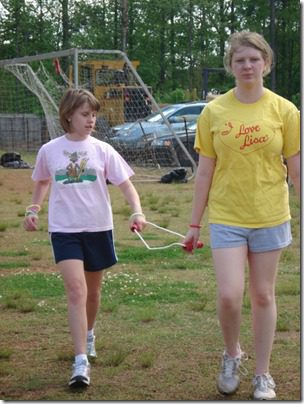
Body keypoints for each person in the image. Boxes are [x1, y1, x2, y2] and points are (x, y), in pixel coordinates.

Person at [183, 31, 300, 400]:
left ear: (266, 63)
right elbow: (204, 171)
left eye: (254, 59)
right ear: (230, 67)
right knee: (231, 295)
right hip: (228, 216)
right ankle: (232, 354)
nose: (247, 66)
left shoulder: (285, 110)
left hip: (270, 214)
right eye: (240, 60)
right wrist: (194, 223)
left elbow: (296, 169)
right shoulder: (214, 111)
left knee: (263, 295)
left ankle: (263, 375)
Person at [23, 88, 146, 388]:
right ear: (68, 116)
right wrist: (34, 207)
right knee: (76, 291)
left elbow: (127, 186)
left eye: (93, 114)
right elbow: (42, 180)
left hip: (98, 228)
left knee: (92, 292)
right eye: (85, 114)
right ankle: (80, 362)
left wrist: (137, 212)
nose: (91, 120)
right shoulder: (49, 150)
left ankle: (89, 334)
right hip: (64, 230)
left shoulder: (103, 150)